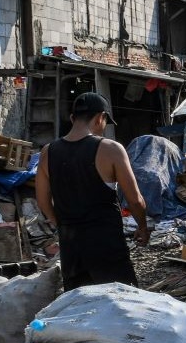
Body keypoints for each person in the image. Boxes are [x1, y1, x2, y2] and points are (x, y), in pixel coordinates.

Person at [36, 92, 150, 291]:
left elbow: (43, 200)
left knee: (80, 305)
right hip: (106, 245)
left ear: (73, 118)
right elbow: (135, 200)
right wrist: (142, 226)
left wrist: (59, 222)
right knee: (122, 302)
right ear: (100, 118)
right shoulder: (111, 149)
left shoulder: (48, 151)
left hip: (71, 249)